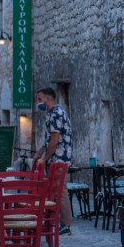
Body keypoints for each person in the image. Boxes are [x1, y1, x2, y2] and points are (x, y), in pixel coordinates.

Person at [34, 87, 74, 234]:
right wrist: (39, 153)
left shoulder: (56, 115)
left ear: (48, 99)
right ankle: (62, 222)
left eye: (40, 99)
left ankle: (65, 224)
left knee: (59, 190)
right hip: (57, 157)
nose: (38, 103)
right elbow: (48, 139)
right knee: (57, 190)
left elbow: (54, 140)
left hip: (59, 158)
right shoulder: (52, 114)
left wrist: (44, 158)